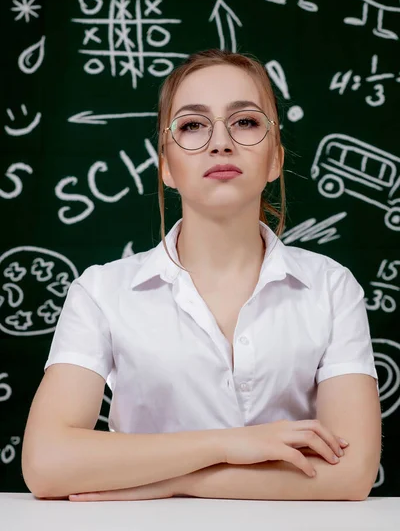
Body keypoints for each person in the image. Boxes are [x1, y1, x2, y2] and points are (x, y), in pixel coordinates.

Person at [21, 48, 380, 501]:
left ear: (274, 160)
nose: (220, 141)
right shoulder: (100, 292)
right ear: (166, 166)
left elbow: (351, 475)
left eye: (245, 122)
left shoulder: (332, 288)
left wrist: (175, 481)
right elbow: (46, 463)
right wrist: (231, 446)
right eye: (192, 125)